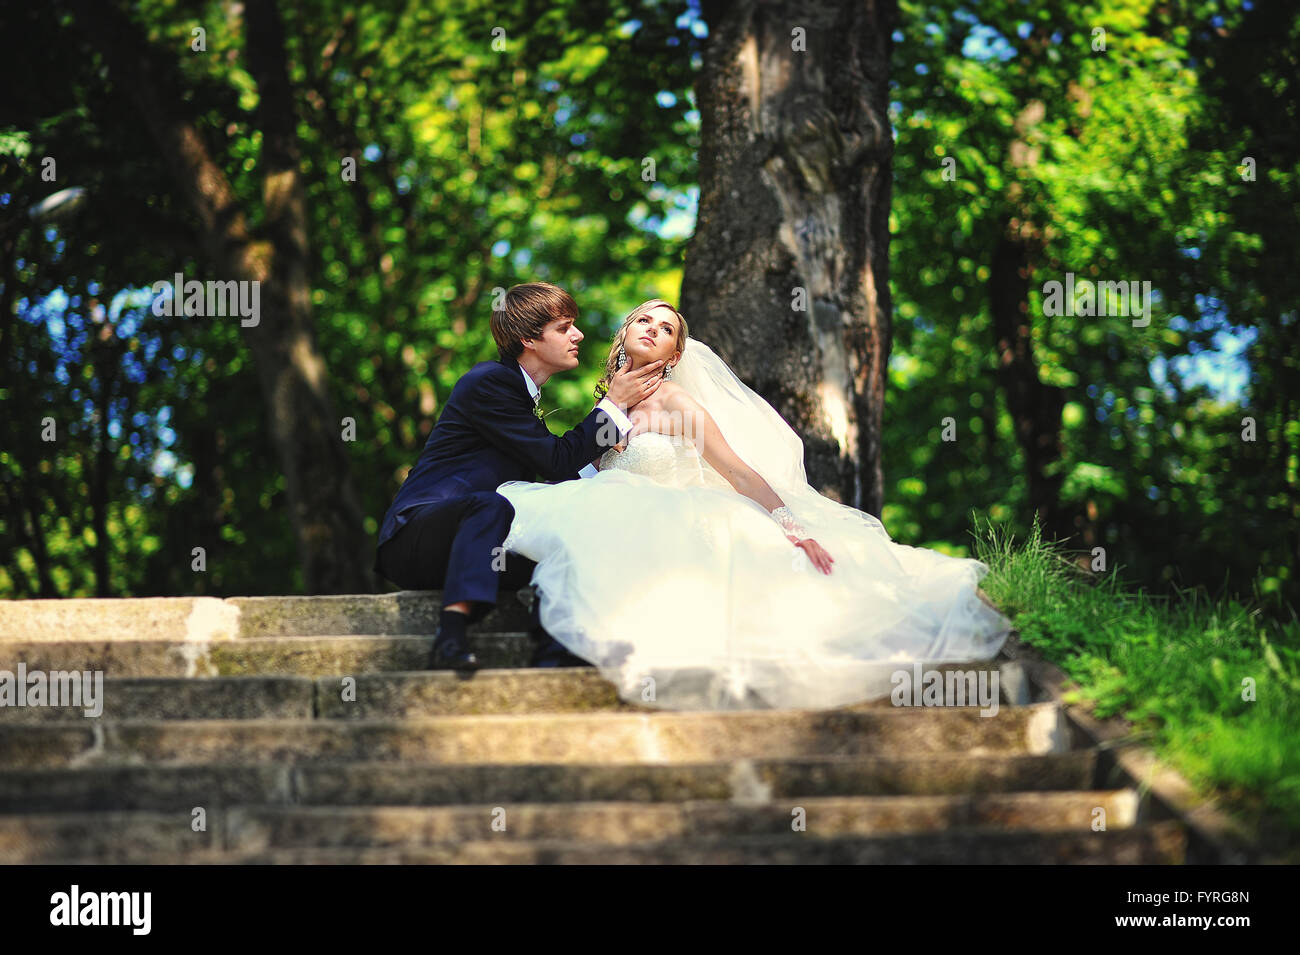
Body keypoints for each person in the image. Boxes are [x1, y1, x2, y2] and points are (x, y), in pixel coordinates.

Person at [496, 300, 1013, 709]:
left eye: (667, 328)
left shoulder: (678, 402)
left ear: (675, 355)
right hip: (616, 515)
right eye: (643, 320)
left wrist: (793, 525)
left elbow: (738, 471)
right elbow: (580, 466)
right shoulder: (607, 403)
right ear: (624, 335)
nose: (652, 328)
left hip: (667, 518)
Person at [373, 283, 666, 669]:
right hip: (417, 537)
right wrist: (614, 404)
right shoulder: (490, 382)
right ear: (529, 338)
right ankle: (451, 635)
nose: (578, 335)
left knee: (566, 552)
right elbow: (556, 461)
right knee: (490, 505)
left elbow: (561, 475)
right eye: (564, 328)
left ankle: (553, 653)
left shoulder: (521, 396)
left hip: (479, 545)